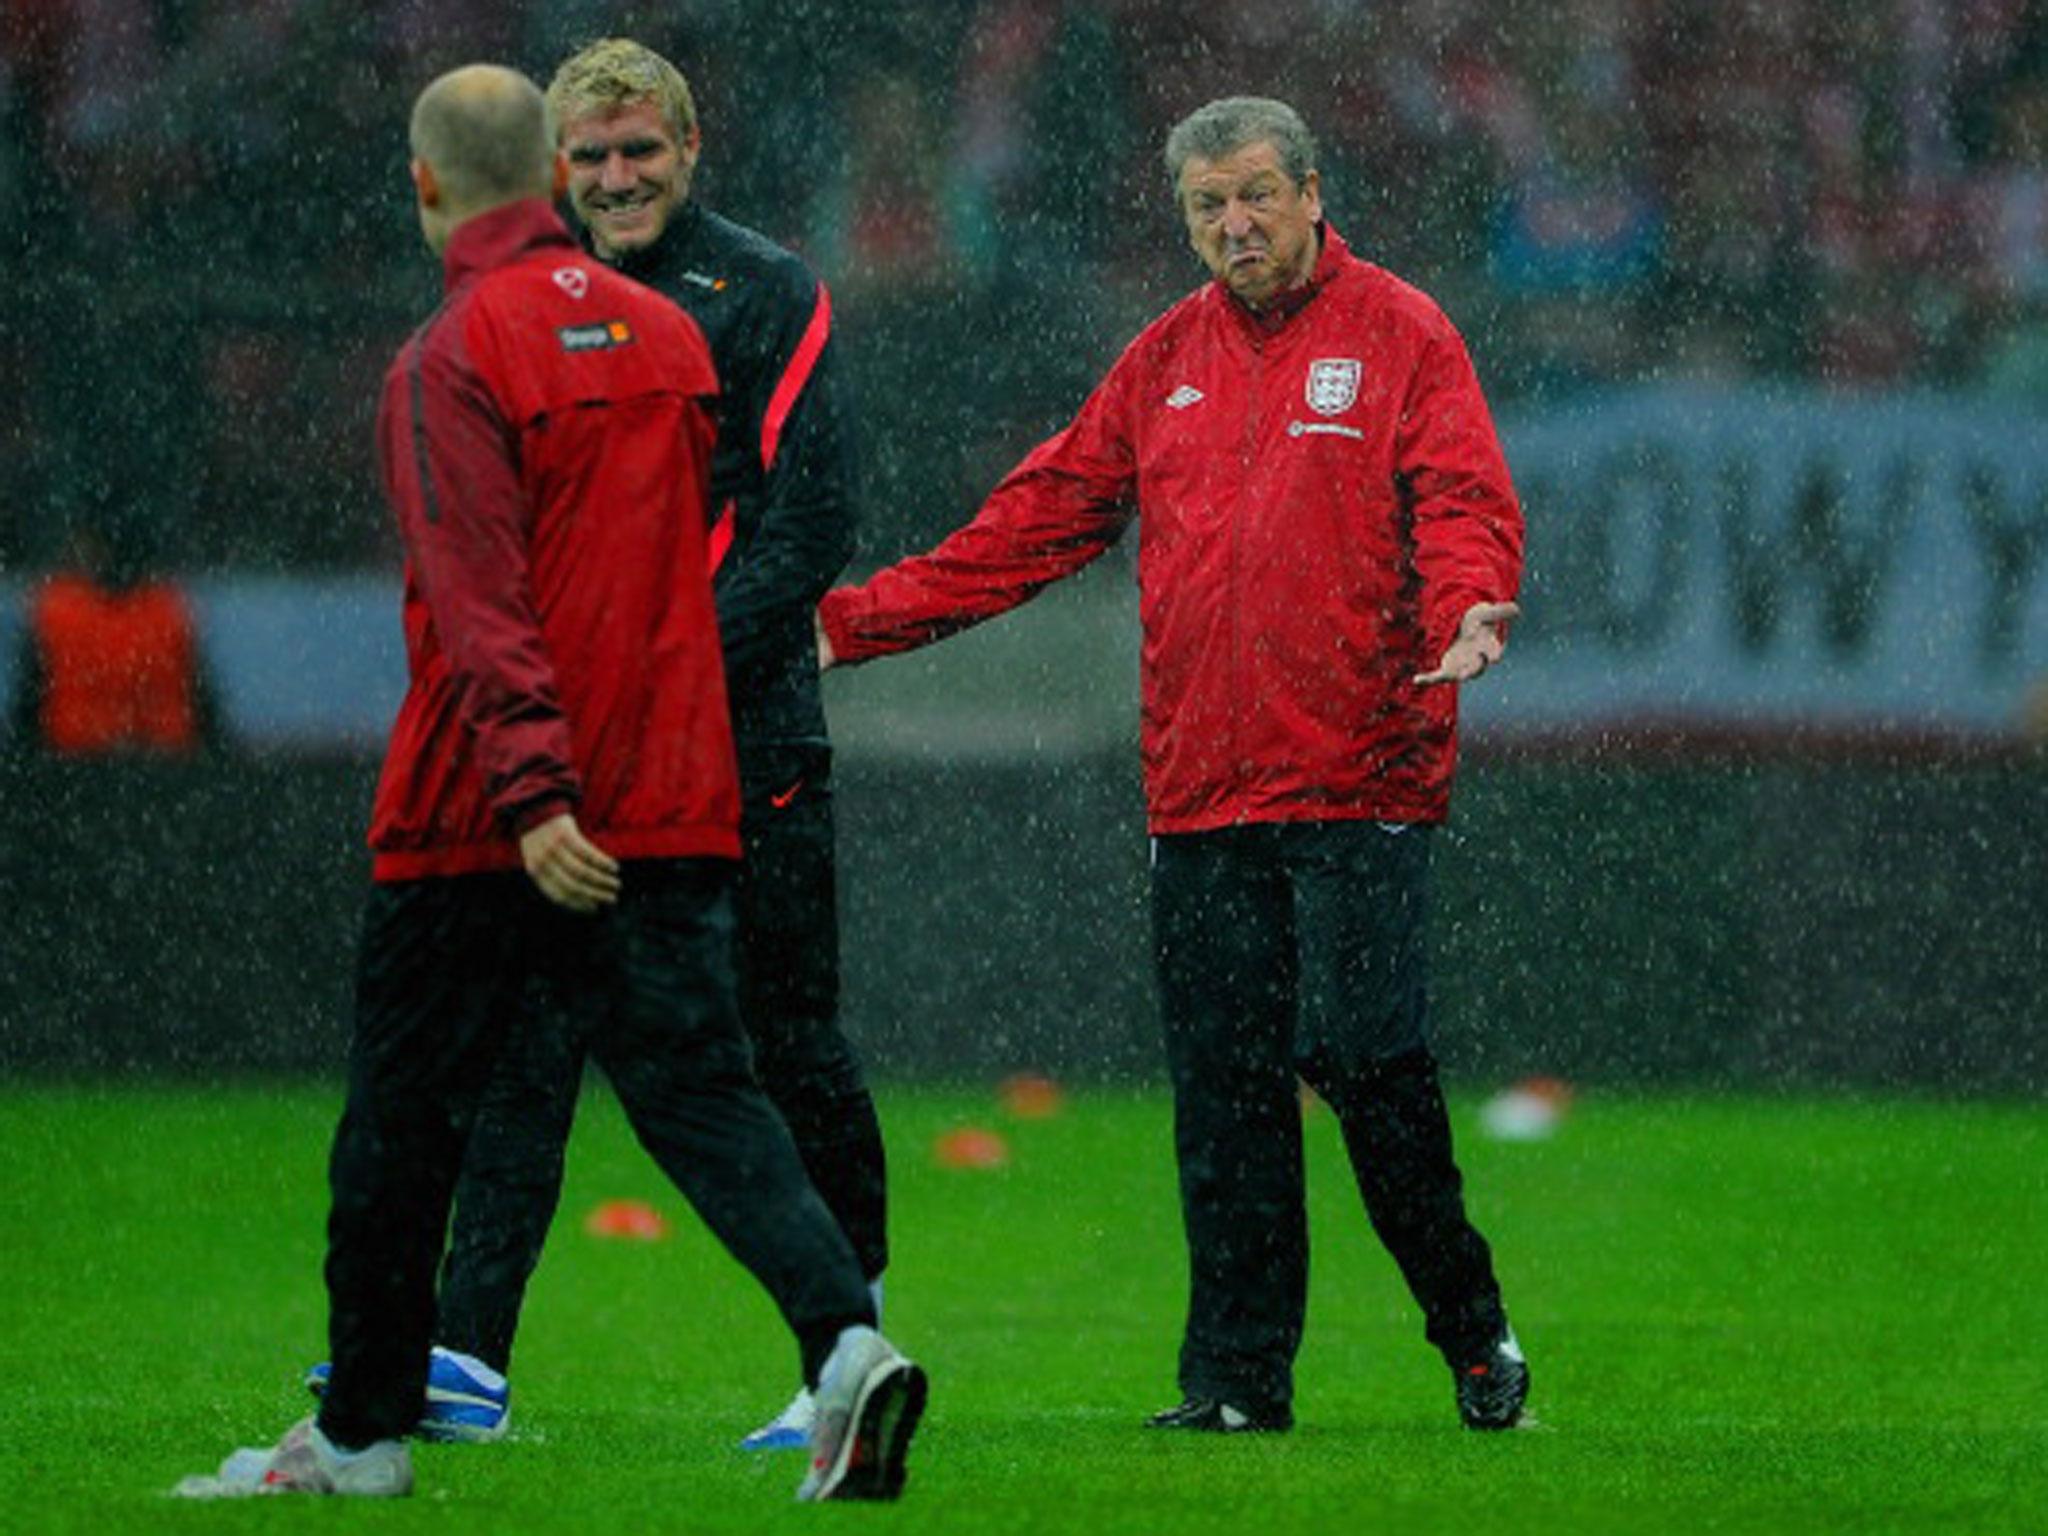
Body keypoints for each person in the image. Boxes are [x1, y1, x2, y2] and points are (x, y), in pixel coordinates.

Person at [176, 64, 923, 1502]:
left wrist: (532, 792)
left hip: (497, 803)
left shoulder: (450, 356)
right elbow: (660, 568)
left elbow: (482, 603)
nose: (622, 174)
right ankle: (844, 1343)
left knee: (409, 1112)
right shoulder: (663, 335)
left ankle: (363, 1434)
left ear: (426, 181)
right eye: (596, 154)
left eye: (644, 149)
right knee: (706, 1092)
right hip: (675, 779)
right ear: (555, 172)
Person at [818, 96, 1529, 1434]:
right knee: (1226, 1099)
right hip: (1201, 793)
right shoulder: (1163, 362)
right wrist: (855, 623)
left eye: (1257, 195)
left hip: (1364, 777)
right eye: (1208, 206)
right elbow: (1035, 521)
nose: (1236, 225)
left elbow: (1462, 498)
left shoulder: (1403, 334)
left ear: (1315, 192)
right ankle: (1237, 1388)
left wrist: (1473, 603)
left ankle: (1468, 1321)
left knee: (1368, 1065)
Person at [9, 510, 221, 756]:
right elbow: (203, 706)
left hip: (72, 765)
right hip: (161, 767)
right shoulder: (169, 610)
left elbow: (28, 705)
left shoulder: (56, 609)